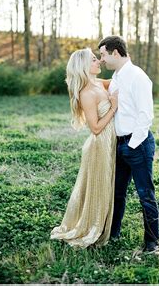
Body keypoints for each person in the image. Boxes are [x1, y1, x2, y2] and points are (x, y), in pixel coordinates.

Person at [51, 48, 118, 248]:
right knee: (97, 188)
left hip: (109, 143)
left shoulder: (98, 83)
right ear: (83, 66)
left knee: (105, 187)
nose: (99, 62)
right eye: (94, 60)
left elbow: (118, 82)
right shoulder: (86, 93)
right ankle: (90, 227)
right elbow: (96, 128)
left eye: (98, 59)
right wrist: (113, 108)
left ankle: (103, 222)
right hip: (99, 145)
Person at [98, 35, 159, 253]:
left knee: (145, 193)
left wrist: (132, 144)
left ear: (115, 52)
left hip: (138, 144)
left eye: (103, 54)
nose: (102, 59)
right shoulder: (116, 78)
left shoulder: (137, 77)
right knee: (117, 192)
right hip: (119, 143)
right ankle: (113, 233)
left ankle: (152, 242)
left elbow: (146, 115)